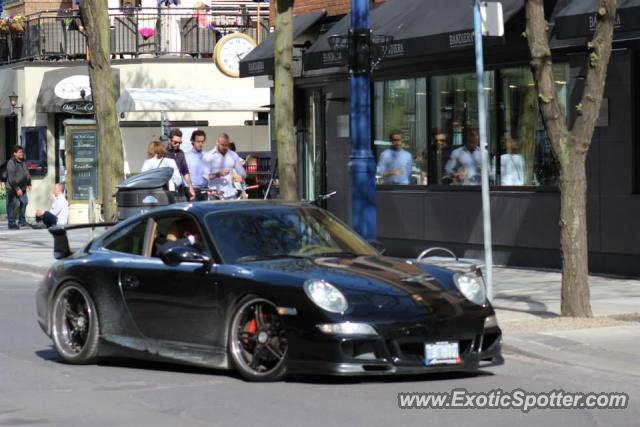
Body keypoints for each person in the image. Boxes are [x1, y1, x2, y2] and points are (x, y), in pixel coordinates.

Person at [203, 132, 246, 199]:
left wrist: (241, 177)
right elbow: (206, 176)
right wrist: (219, 174)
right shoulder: (209, 156)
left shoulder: (233, 155)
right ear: (217, 143)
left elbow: (242, 173)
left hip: (231, 194)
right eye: (222, 145)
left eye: (226, 145)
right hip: (215, 195)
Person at [165, 129, 196, 200]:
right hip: (167, 190)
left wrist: (190, 187)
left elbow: (185, 171)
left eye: (180, 142)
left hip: (179, 189)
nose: (178, 144)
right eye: (175, 142)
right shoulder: (164, 153)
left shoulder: (181, 153)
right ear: (169, 140)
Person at [6, 146, 31, 230]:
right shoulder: (11, 162)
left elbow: (27, 173)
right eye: (20, 152)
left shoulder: (23, 161)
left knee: (24, 202)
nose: (21, 153)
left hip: (22, 187)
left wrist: (29, 182)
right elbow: (11, 178)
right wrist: (17, 189)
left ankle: (22, 221)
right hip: (12, 188)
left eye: (22, 152)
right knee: (11, 205)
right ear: (15, 153)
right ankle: (11, 223)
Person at [185, 130, 208, 201]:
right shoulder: (186, 156)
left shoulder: (207, 156)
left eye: (202, 141)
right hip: (191, 190)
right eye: (198, 141)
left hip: (205, 190)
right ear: (192, 141)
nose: (200, 144)